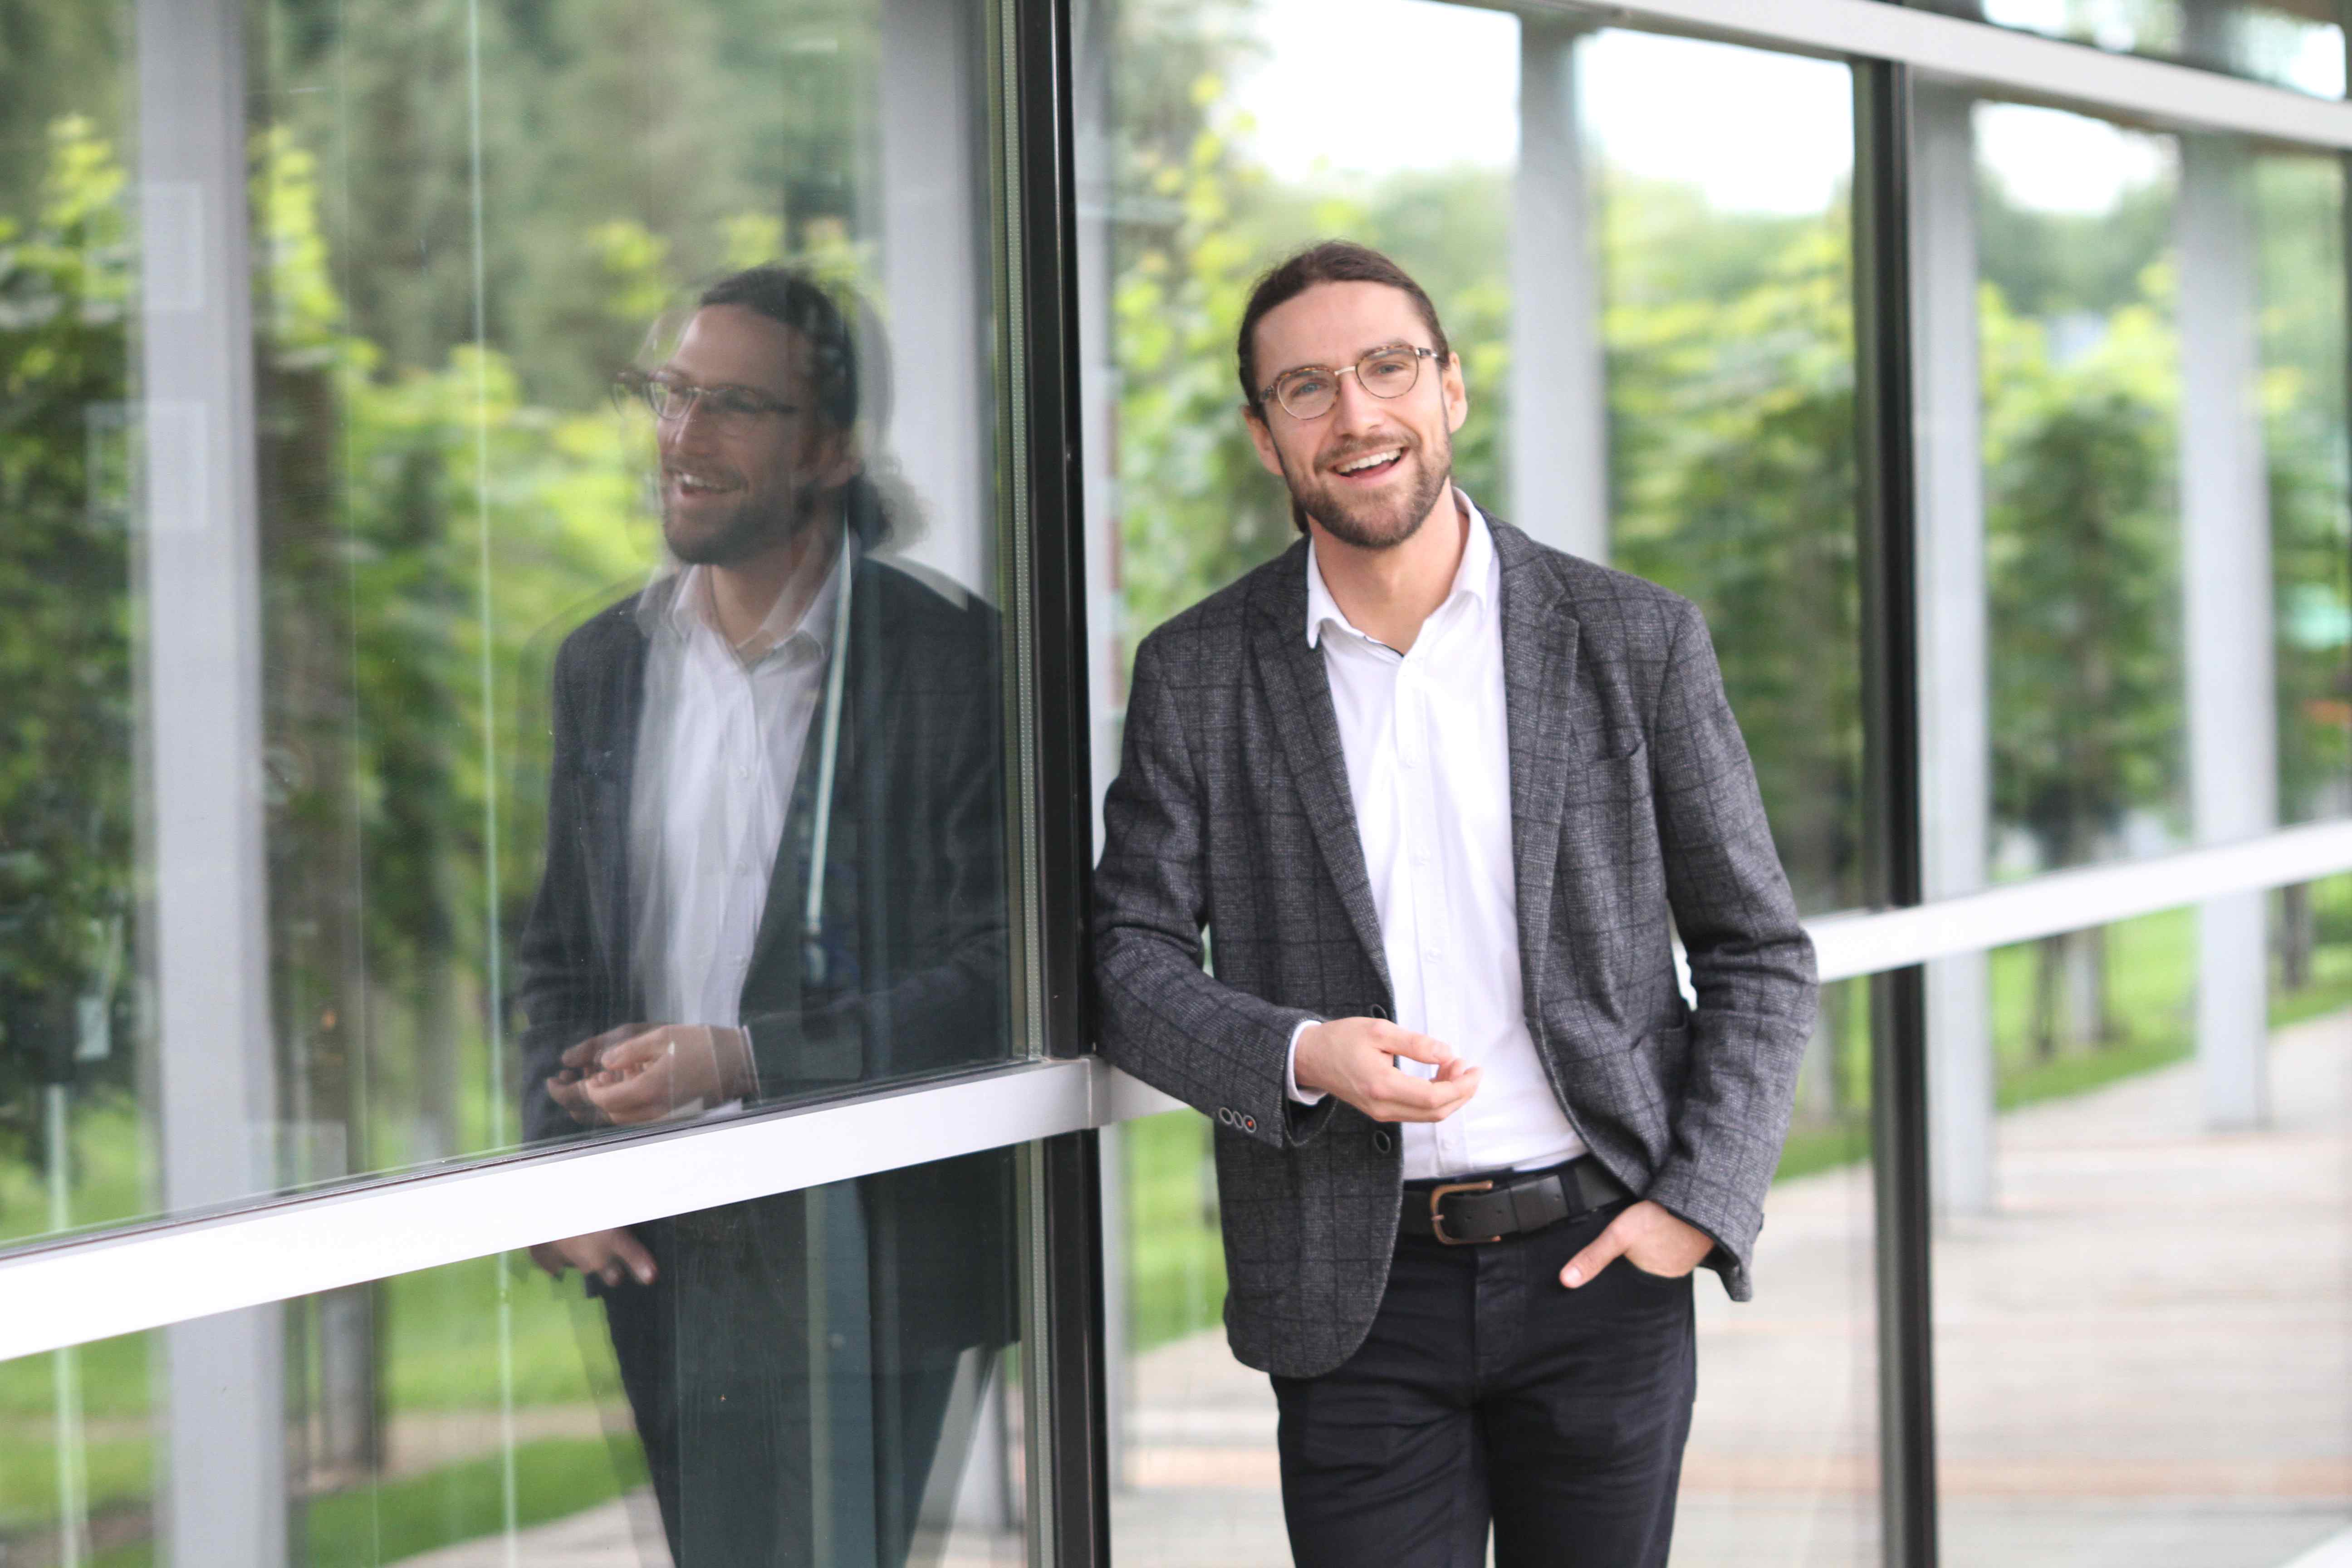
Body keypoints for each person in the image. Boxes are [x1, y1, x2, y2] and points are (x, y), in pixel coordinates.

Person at [1092, 240, 1818, 1568]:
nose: (1355, 414)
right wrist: (1302, 1054)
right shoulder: (1198, 673)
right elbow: (1127, 959)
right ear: (1264, 437)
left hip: (1603, 1265)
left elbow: (1758, 951)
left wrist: (1702, 1201)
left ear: (1452, 390)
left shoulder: (1634, 639)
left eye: (1388, 368)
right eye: (1307, 388)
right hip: (1351, 1292)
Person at [514, 265, 1013, 1568]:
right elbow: (559, 951)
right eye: (669, 395)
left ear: (832, 451)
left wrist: (741, 1059)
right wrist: (552, 1156)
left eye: (732, 405)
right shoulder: (604, 664)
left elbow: (1002, 970)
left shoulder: (956, 662)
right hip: (663, 1240)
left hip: (873, 1237)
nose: (681, 436)